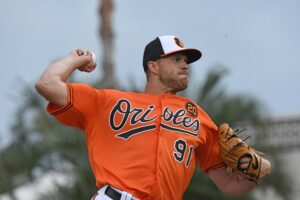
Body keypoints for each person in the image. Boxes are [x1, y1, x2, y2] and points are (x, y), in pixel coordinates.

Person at [36, 35, 271, 200]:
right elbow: (47, 84)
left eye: (186, 61)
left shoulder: (197, 116)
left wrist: (262, 169)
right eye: (176, 59)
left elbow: (229, 184)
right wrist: (76, 59)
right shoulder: (109, 102)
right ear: (154, 67)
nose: (185, 66)